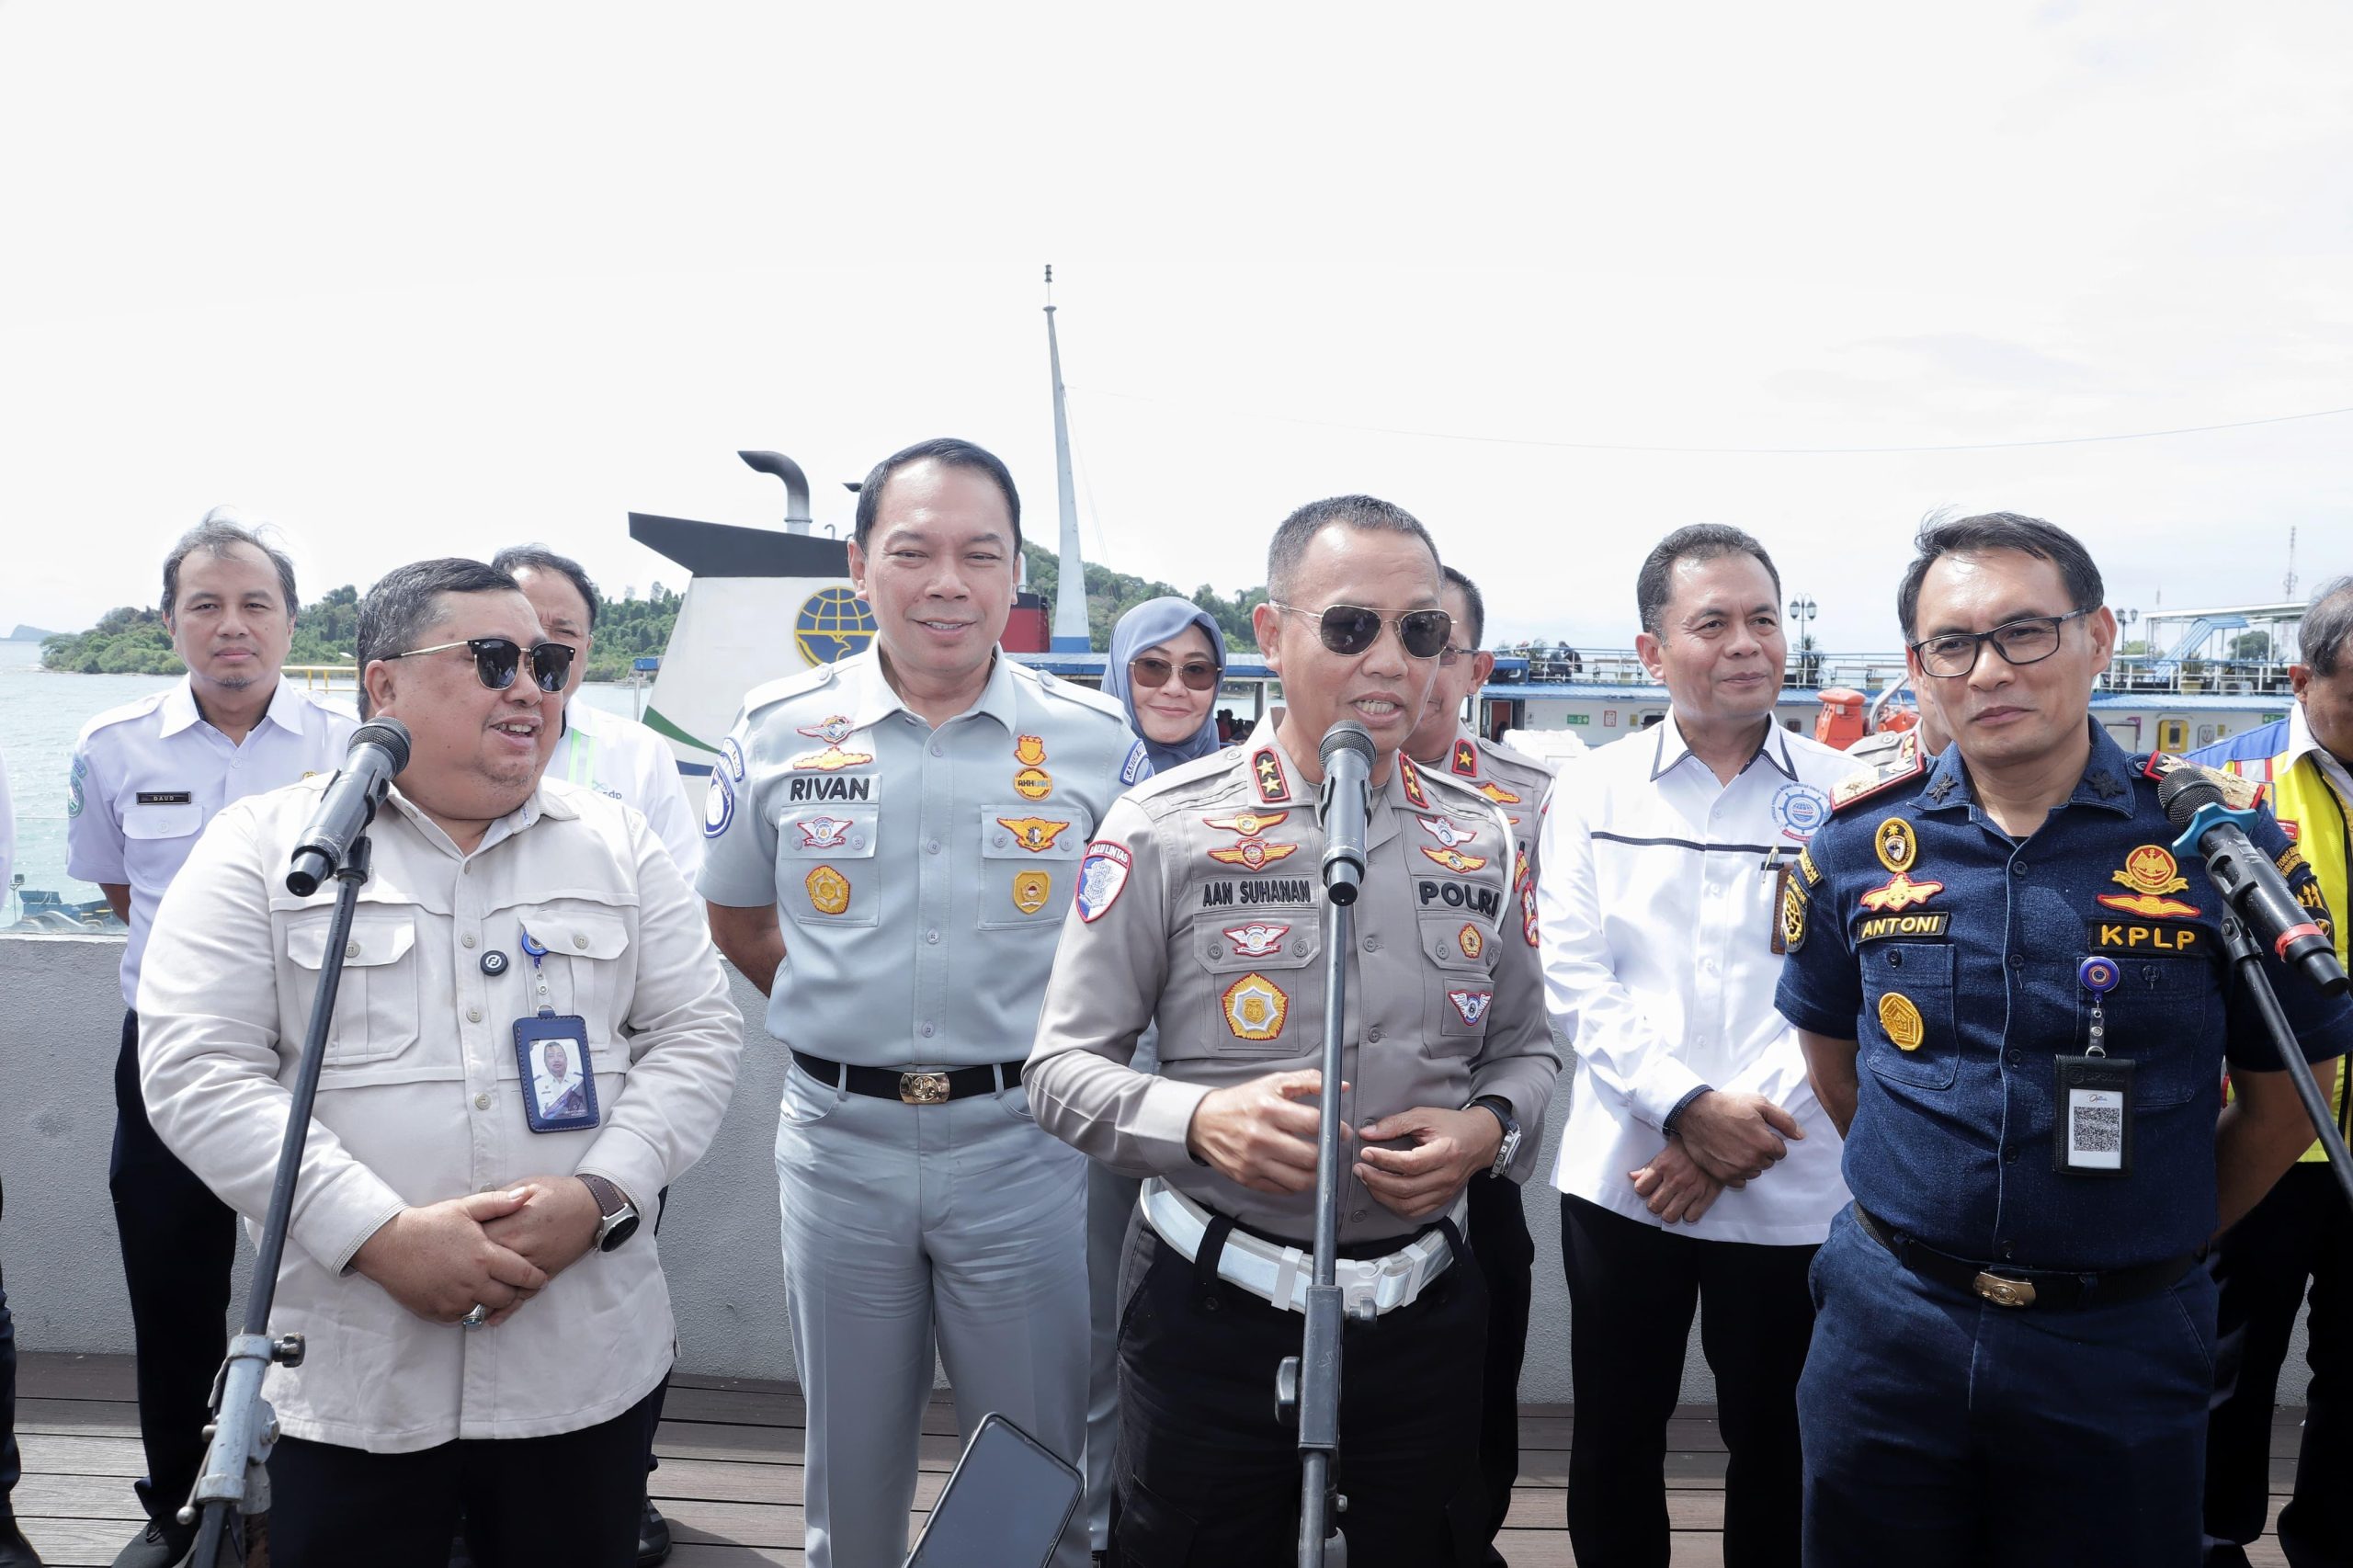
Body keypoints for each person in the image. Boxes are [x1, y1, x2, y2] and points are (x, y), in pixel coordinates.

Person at [136, 557, 744, 1568]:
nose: (530, 686)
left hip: (580, 1359)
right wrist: (377, 1233)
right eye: (492, 658)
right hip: (352, 1373)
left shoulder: (621, 845)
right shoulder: (262, 848)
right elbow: (196, 1068)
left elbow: (697, 1034)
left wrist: (601, 1190)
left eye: (548, 662)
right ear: (383, 686)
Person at [1777, 513, 2353, 1568]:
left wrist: (2149, 1230)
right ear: (1918, 668)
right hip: (1890, 1330)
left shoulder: (2220, 846)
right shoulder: (1856, 846)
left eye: (2025, 632)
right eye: (1953, 644)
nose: (1989, 668)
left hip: (2120, 1343)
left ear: (2098, 636)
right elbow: (1838, 1065)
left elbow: (2286, 1097)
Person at [1027, 494, 1562, 1565]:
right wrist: (1199, 1119)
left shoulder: (1484, 834)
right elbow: (1058, 1069)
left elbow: (1529, 1050)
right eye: (1349, 625)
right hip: (1210, 1314)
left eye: (1420, 633)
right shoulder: (1164, 827)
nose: (1389, 661)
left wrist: (1486, 1133)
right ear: (1272, 637)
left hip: (1424, 1313)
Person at [699, 438, 1148, 1568]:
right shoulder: (774, 729)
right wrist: (856, 1029)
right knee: (848, 1472)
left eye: (978, 554)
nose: (946, 581)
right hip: (837, 1145)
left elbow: (1133, 953)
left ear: (1012, 577)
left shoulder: (1094, 743)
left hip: (1023, 1147)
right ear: (859, 567)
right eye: (913, 550)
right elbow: (742, 921)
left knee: (1032, 1464)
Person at [1537, 525, 1852, 1568]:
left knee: (1781, 1437)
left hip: (1793, 1171)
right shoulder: (1592, 787)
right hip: (1627, 1176)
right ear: (1649, 649)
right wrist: (1682, 1107)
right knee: (1615, 1434)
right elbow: (1579, 981)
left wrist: (1733, 1124)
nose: (1745, 643)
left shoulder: (1846, 796)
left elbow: (1845, 994)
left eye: (1762, 618)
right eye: (1710, 622)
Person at [63, 510, 358, 1568]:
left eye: (255, 605)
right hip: (170, 1053)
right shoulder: (113, 746)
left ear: (289, 620)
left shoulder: (353, 746)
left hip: (323, 1051)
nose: (232, 627)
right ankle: (175, 1505)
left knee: (338, 1276)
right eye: (206, 605)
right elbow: (115, 887)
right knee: (174, 1281)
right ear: (168, 621)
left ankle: (327, 1499)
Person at [494, 541, 699, 1564]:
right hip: (480, 1089)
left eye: (559, 640)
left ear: (585, 649)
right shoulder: (420, 764)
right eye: (507, 644)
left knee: (615, 1295)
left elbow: (685, 945)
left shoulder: (635, 760)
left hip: (612, 1091)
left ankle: (626, 1488)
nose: (533, 664)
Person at [2188, 574, 2353, 1568]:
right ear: (2300, 676)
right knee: (2223, 1362)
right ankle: (2210, 1537)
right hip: (2257, 1132)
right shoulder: (2216, 787)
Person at [1398, 564, 1558, 1565]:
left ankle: (1469, 1537)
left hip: (1476, 1146)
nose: (1409, 663)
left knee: (1481, 1373)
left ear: (1476, 665)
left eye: (1435, 641)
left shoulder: (1533, 803)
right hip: (1318, 1145)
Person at [1079, 596, 1225, 1555]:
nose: (1175, 687)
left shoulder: (1240, 788)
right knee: (1097, 1326)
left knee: (1206, 1334)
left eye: (1198, 671)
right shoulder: (1073, 782)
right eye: (1152, 667)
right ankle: (1097, 1523)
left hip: (1221, 1106)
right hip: (1102, 1102)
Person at [491, 545, 701, 880]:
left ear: (587, 648)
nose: (544, 644)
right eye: (525, 624)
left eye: (565, 632)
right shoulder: (452, 739)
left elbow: (682, 881)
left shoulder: (638, 752)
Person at [532, 1041, 592, 1121]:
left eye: (560, 1055)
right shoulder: (536, 1085)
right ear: (545, 1062)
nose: (556, 1060)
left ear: (566, 1060)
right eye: (551, 1056)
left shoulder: (580, 1081)